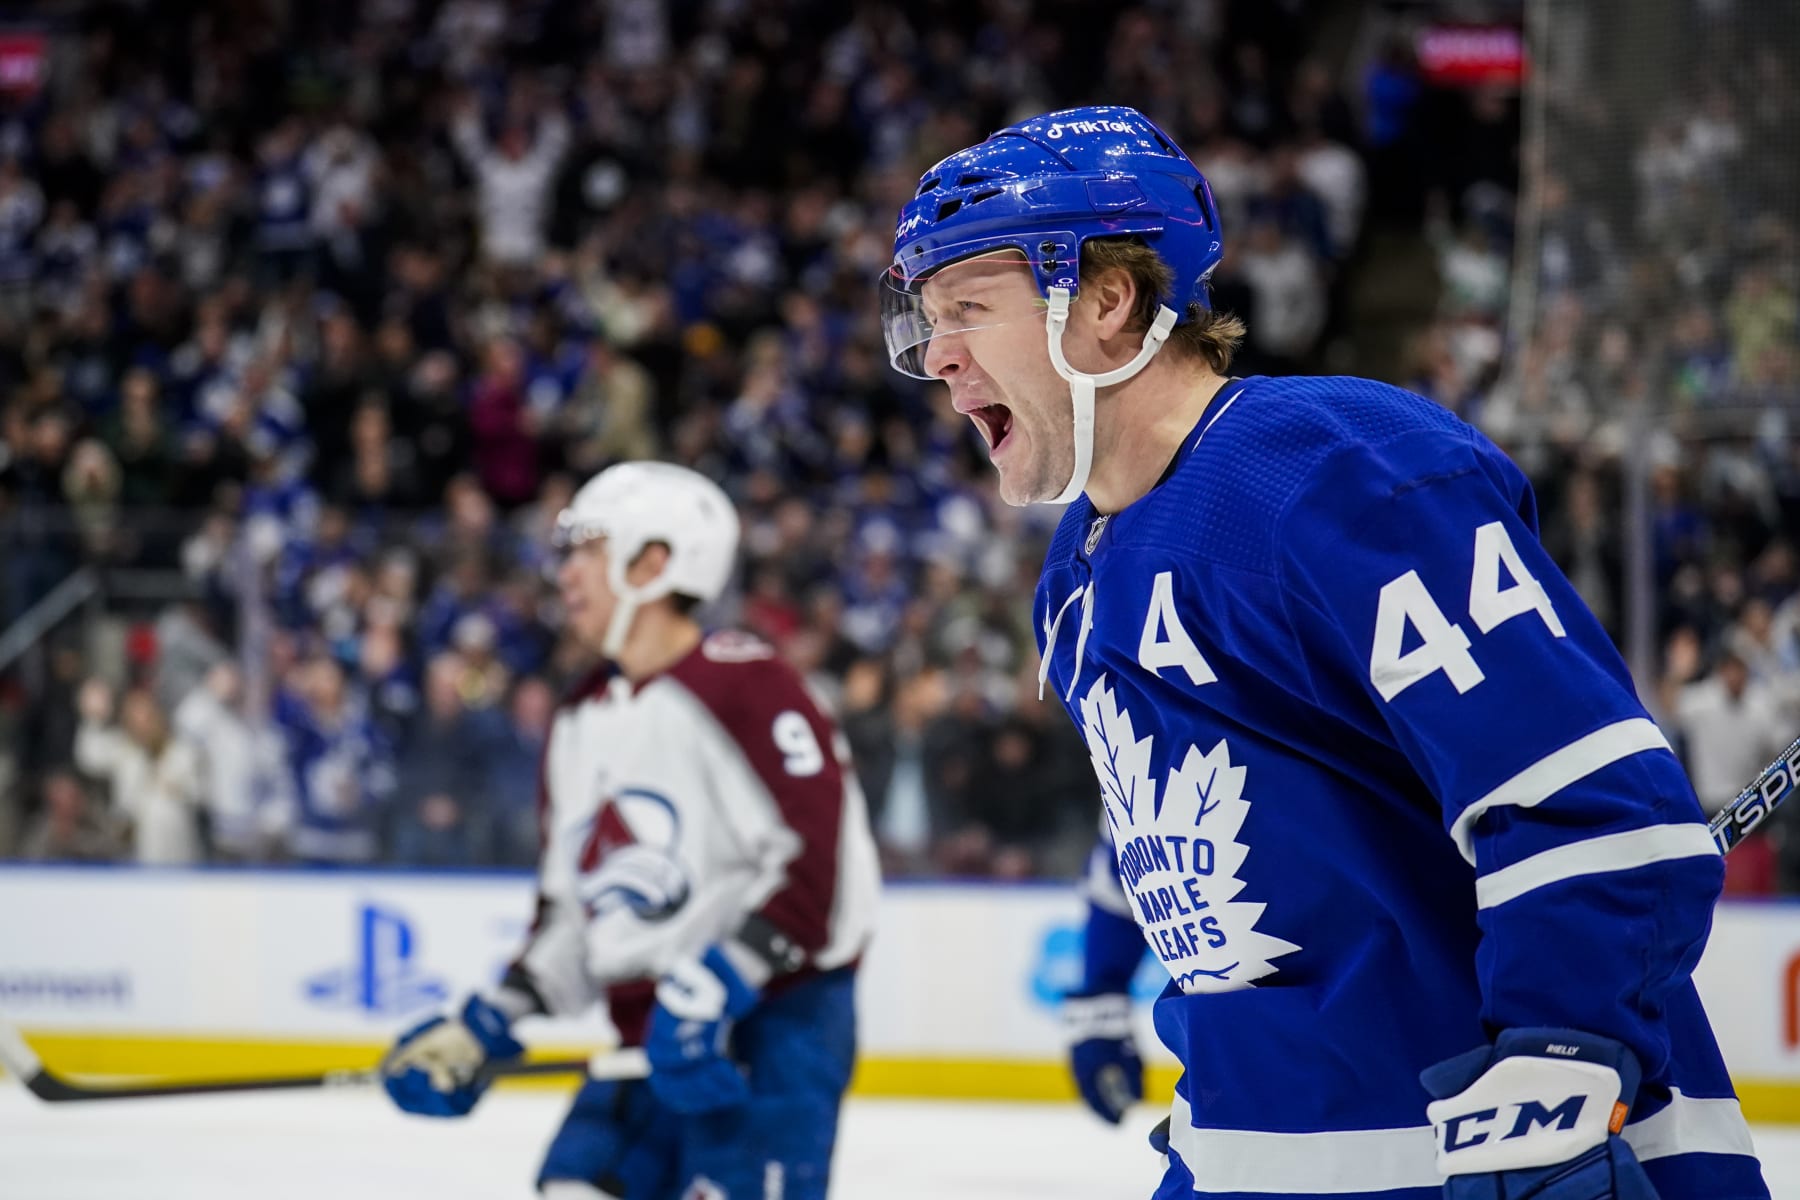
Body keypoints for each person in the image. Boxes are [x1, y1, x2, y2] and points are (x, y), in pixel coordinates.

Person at [882, 105, 1767, 1199]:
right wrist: (1114, 990)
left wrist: (1563, 1053)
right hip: (1247, 1156)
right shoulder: (1076, 575)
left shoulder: (1332, 471)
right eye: (927, 319)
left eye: (969, 306)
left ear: (1107, 300)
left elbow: (1588, 798)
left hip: (1485, 1162)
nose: (938, 356)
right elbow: (1165, 834)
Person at [379, 461, 881, 1200]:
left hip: (771, 1038)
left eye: (586, 548)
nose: (566, 574)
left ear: (653, 562)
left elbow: (822, 873)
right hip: (647, 1040)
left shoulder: (746, 684)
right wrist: (489, 1021)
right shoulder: (582, 716)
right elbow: (574, 911)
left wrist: (716, 984)